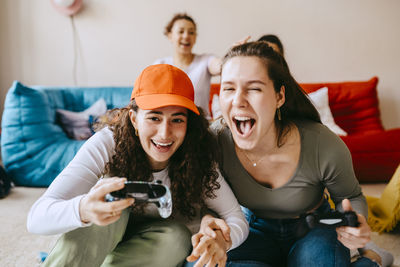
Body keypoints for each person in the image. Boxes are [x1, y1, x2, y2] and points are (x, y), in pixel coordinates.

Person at [27, 64, 248, 267]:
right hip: (99, 235)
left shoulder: (198, 156)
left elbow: (236, 218)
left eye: (177, 120)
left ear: (188, 123)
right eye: (154, 118)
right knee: (111, 203)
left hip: (153, 244)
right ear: (134, 118)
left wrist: (222, 239)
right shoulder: (108, 143)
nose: (165, 133)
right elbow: (36, 219)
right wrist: (83, 209)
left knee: (177, 237)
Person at [198, 41, 393, 267]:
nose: (238, 100)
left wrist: (355, 224)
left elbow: (351, 197)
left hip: (314, 226)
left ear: (280, 96)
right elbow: (203, 203)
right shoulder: (214, 141)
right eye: (229, 88)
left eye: (254, 88)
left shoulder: (323, 144)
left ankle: (372, 259)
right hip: (252, 227)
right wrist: (208, 222)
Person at [154, 13, 249, 119]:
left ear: (195, 38)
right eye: (181, 31)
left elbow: (220, 66)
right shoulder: (159, 65)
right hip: (171, 124)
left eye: (191, 32)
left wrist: (232, 56)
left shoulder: (206, 60)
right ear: (170, 35)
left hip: (201, 125)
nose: (186, 36)